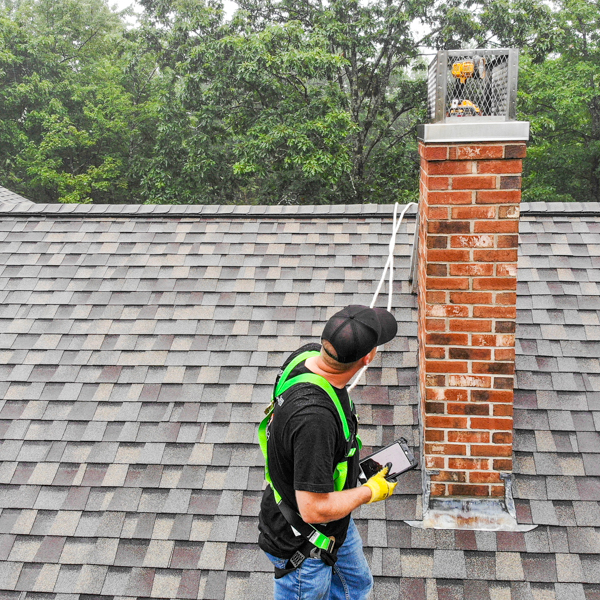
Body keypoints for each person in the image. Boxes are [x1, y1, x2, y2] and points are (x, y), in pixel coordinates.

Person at [258, 304, 399, 600]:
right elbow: (313, 508)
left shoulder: (306, 355)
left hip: (335, 528)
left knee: (357, 586)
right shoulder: (314, 420)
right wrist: (371, 491)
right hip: (303, 548)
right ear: (367, 358)